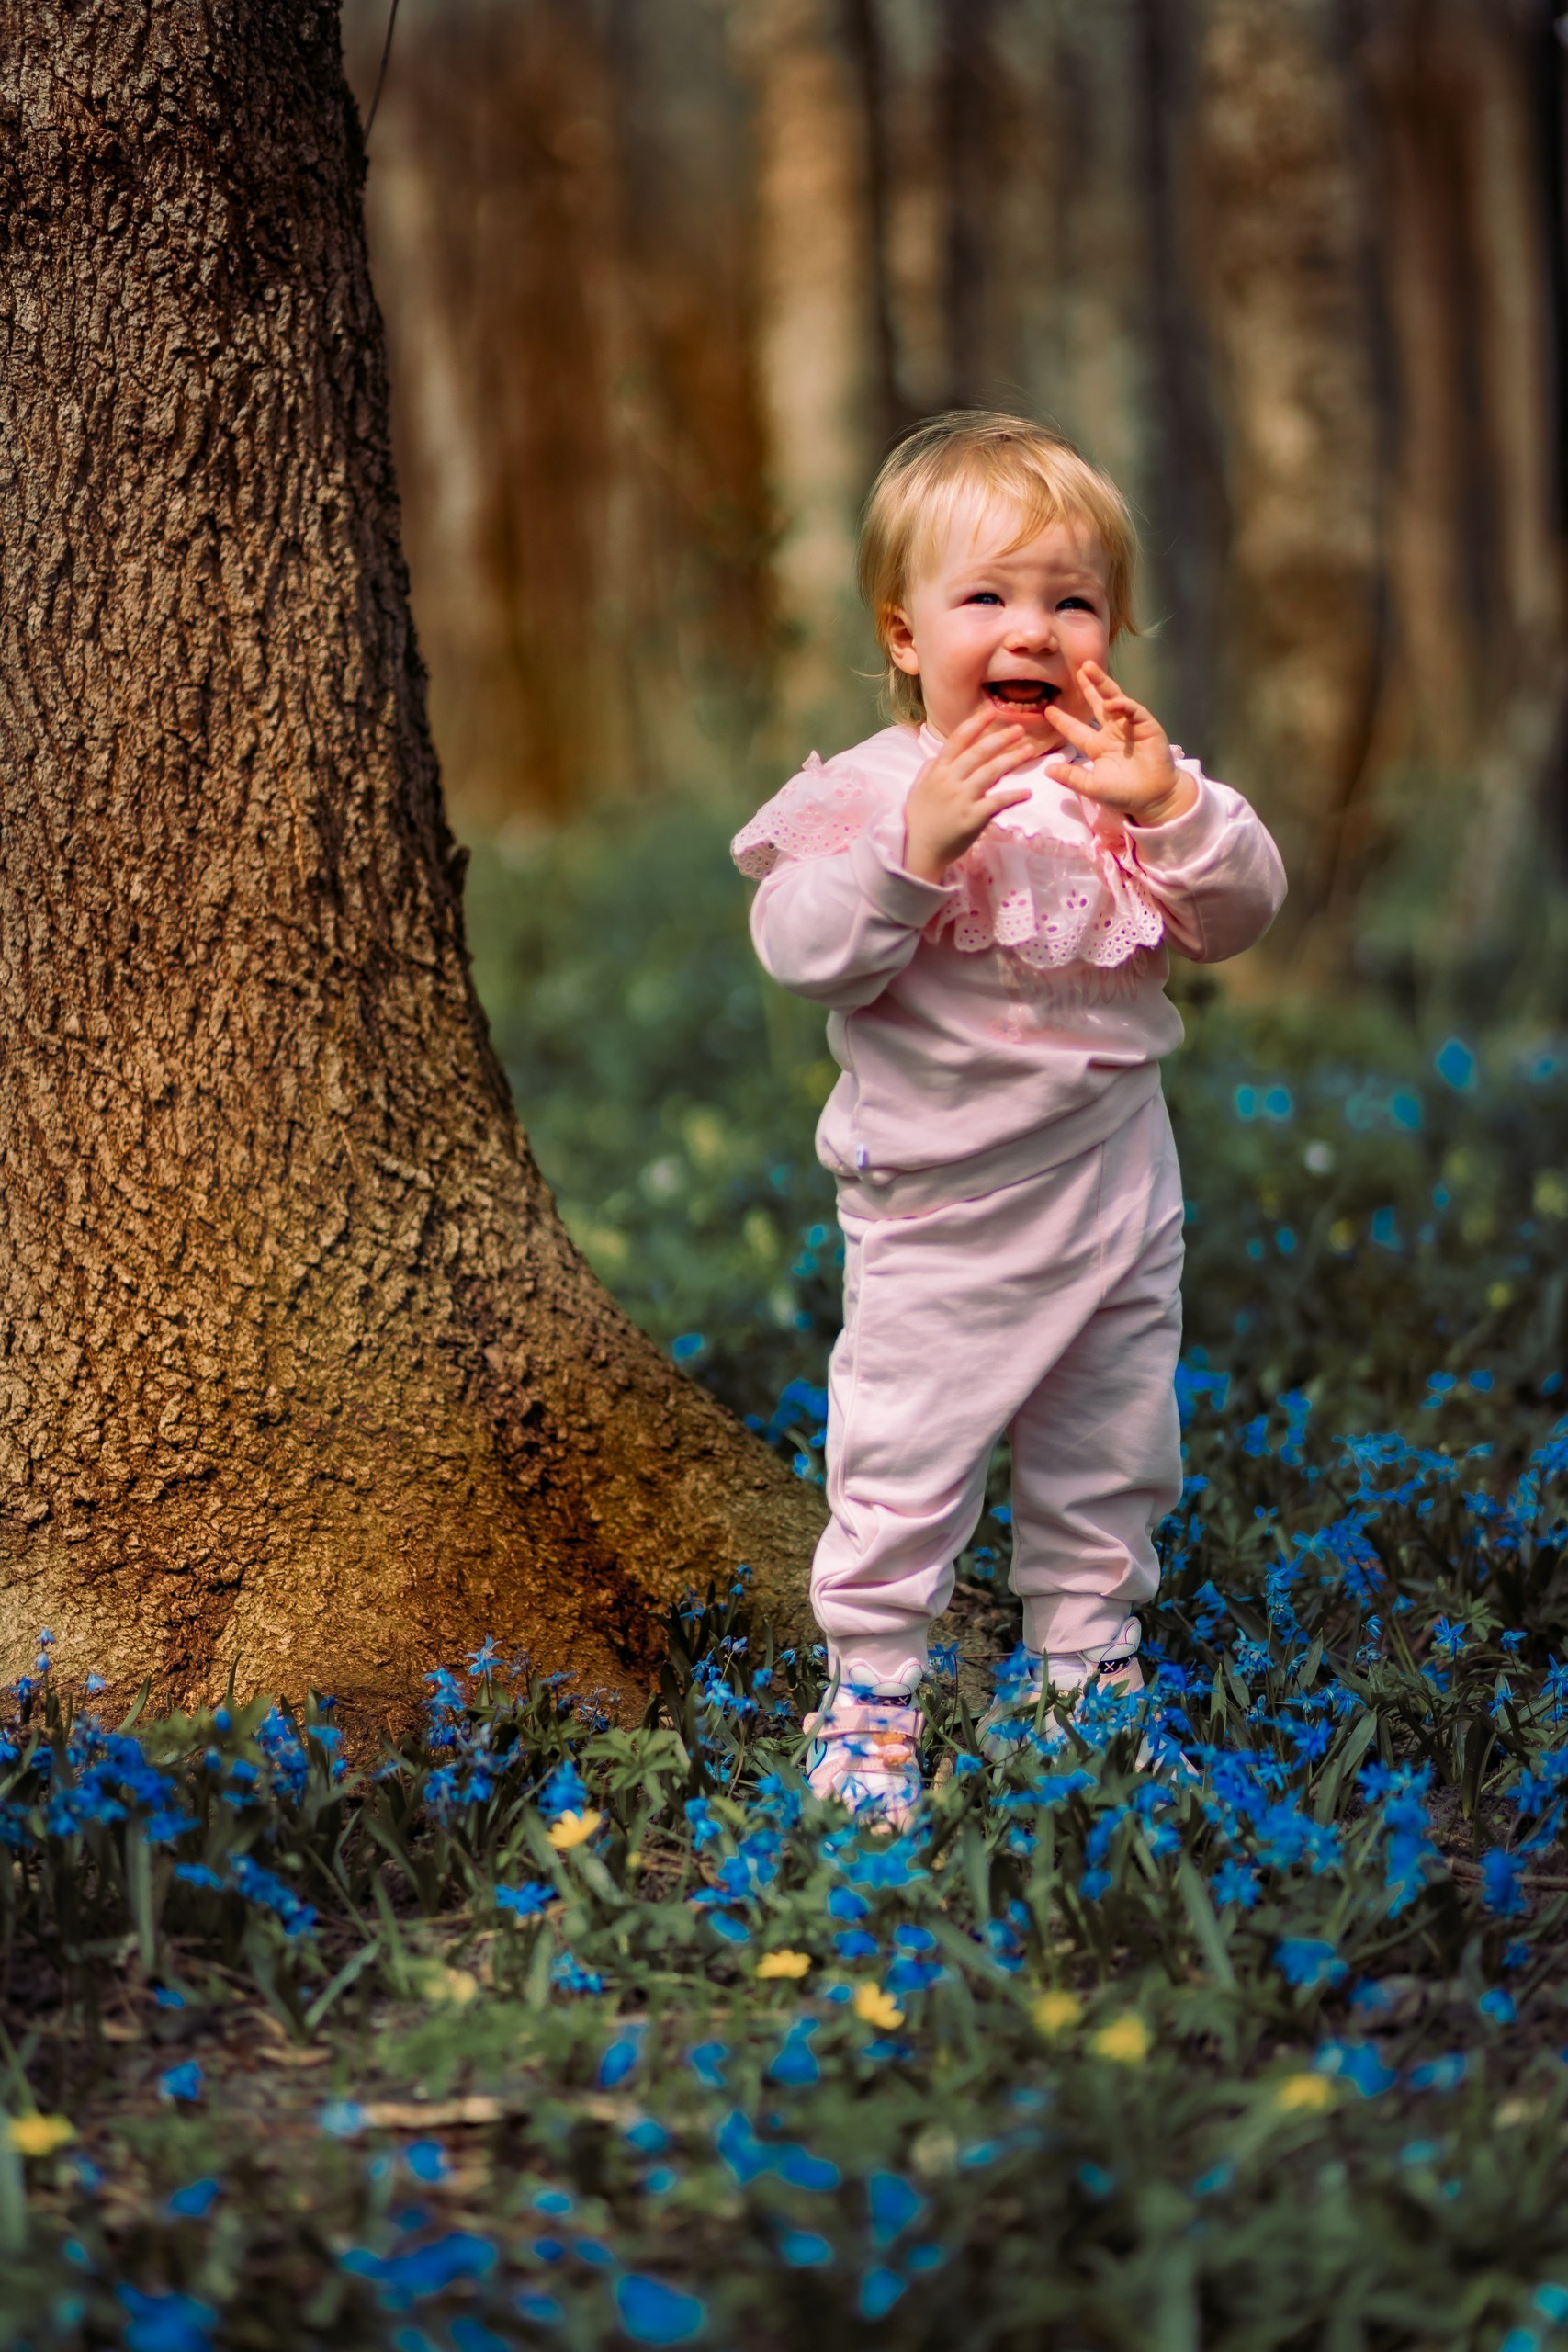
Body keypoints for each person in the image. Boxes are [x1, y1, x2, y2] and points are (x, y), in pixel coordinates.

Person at [731, 411, 1286, 1825]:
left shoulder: (1124, 785)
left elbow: (1239, 912)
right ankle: (869, 1696)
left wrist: (1171, 809)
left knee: (1112, 1455)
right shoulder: (870, 792)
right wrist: (912, 854)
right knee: (903, 1461)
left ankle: (1081, 1682)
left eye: (1072, 599)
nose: (1032, 629)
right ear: (906, 635)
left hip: (1115, 1197)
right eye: (987, 596)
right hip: (941, 1213)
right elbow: (803, 948)